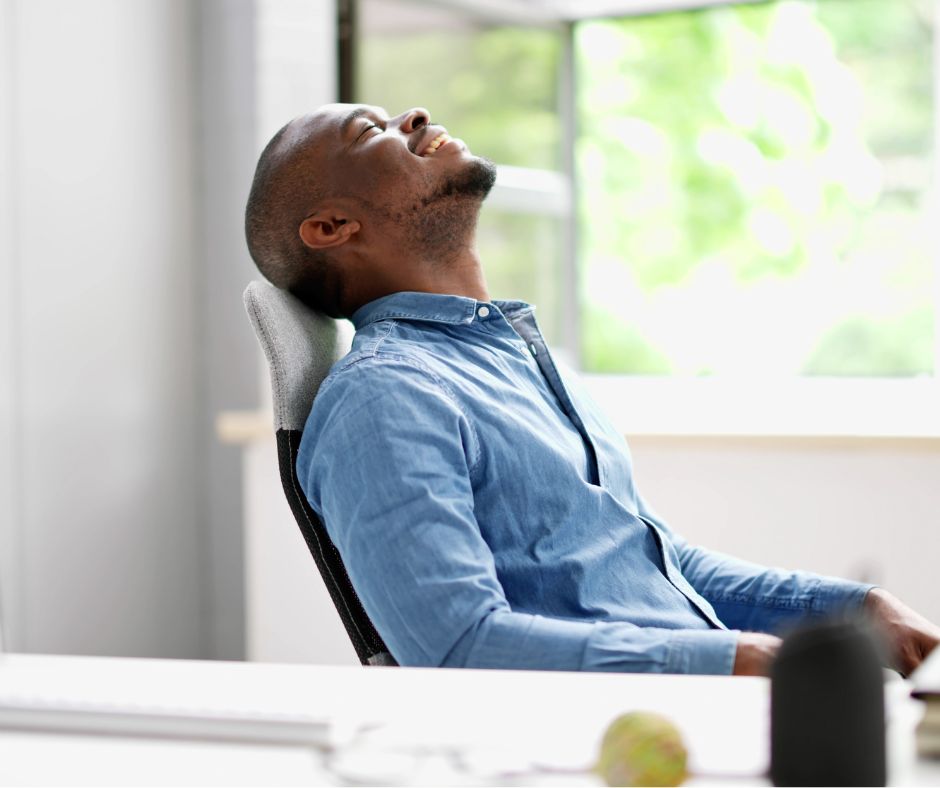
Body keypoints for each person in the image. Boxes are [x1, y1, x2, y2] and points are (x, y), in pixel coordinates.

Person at [244, 103, 940, 676]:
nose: (413, 115)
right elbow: (456, 648)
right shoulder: (384, 400)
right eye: (371, 131)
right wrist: (735, 663)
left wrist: (853, 607)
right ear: (332, 227)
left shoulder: (511, 362)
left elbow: (650, 565)